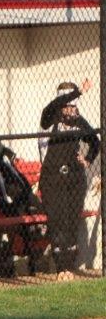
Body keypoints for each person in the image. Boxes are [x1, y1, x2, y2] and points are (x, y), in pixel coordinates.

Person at [38, 78, 100, 276]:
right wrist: (77, 92)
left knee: (72, 222)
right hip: (52, 178)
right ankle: (61, 268)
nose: (70, 109)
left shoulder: (79, 121)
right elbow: (52, 106)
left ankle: (69, 268)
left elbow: (95, 142)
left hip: (74, 178)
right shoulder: (49, 119)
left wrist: (87, 159)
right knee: (57, 222)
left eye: (73, 106)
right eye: (67, 104)